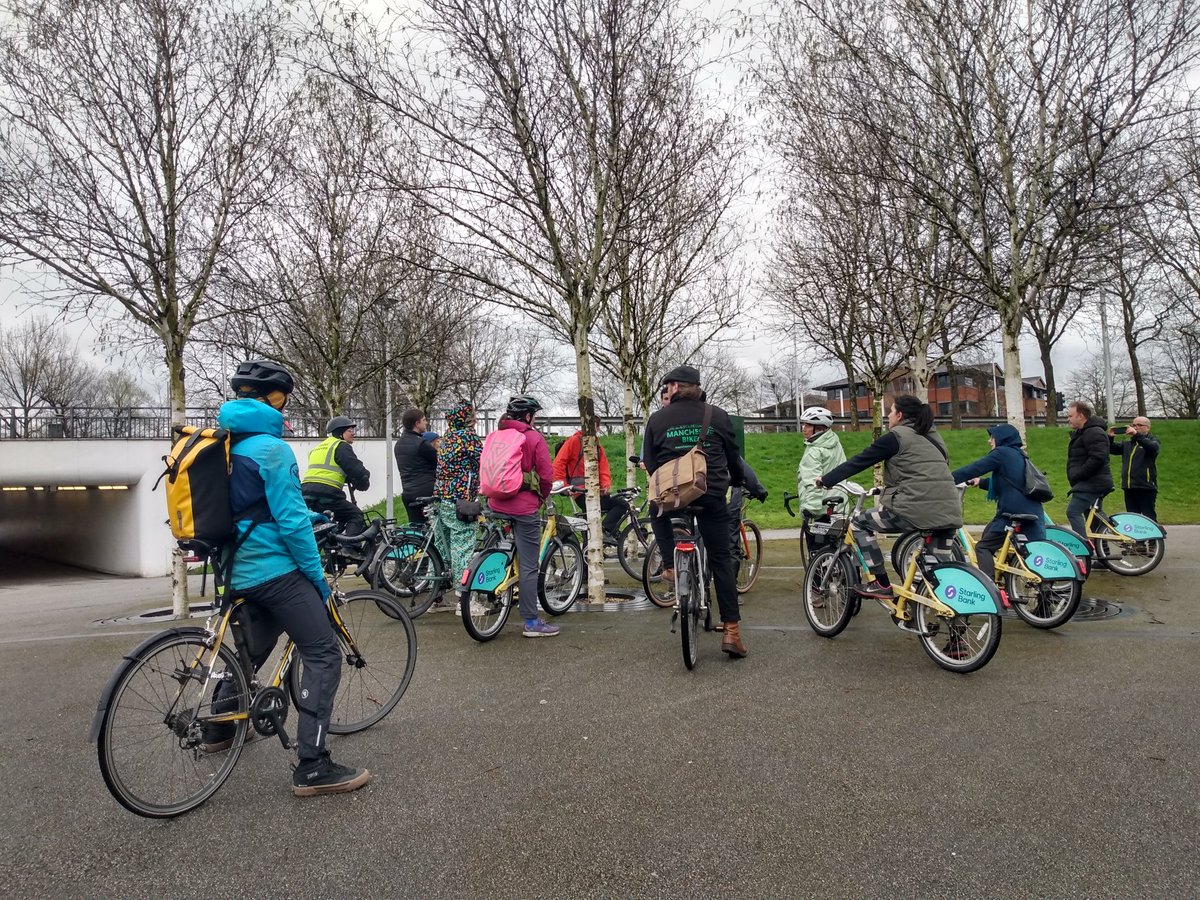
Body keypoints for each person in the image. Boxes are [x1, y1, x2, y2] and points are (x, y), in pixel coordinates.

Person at [212, 360, 370, 797]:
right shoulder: (271, 449)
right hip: (274, 571)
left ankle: (218, 729)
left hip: (234, 571)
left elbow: (252, 508)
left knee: (253, 649)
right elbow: (291, 524)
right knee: (322, 653)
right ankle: (314, 766)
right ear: (275, 400)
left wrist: (308, 513)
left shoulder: (221, 445)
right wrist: (317, 578)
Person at [815, 394, 962, 604]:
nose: (888, 417)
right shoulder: (935, 438)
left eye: (891, 412)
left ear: (900, 415)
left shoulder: (896, 437)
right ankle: (953, 621)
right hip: (949, 512)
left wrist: (826, 480)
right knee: (940, 571)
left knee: (859, 523)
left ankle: (881, 583)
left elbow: (860, 461)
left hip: (914, 510)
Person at [643, 365, 748, 657]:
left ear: (674, 387)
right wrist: (737, 481)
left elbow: (651, 464)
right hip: (710, 493)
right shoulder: (717, 415)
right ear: (697, 387)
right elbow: (733, 457)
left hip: (673, 495)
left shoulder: (657, 419)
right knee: (721, 559)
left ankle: (669, 565)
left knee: (657, 508)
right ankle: (731, 632)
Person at [486, 395, 559, 638]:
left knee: (504, 548)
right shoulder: (533, 437)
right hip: (523, 507)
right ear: (528, 416)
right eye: (534, 415)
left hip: (495, 503)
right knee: (529, 566)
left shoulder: (496, 435)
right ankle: (531, 621)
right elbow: (547, 476)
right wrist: (540, 497)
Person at [951, 424, 1046, 580]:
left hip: (1013, 512)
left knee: (983, 547)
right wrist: (980, 482)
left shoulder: (1001, 453)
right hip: (1030, 509)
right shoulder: (1018, 455)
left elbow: (974, 468)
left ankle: (989, 587)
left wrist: (946, 479)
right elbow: (1007, 484)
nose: (989, 441)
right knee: (989, 531)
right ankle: (1006, 576)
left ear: (1001, 438)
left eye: (992, 437)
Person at [431, 399, 483, 606]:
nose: (476, 421)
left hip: (442, 497)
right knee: (463, 547)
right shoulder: (468, 438)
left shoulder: (448, 437)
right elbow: (484, 460)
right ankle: (465, 599)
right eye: (474, 417)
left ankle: (435, 596)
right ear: (468, 419)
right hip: (461, 500)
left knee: (441, 547)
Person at [552, 427, 628, 543]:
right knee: (622, 504)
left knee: (589, 520)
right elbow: (559, 464)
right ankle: (605, 530)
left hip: (589, 491)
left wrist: (605, 485)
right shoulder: (575, 441)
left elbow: (603, 467)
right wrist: (563, 486)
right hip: (580, 491)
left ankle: (589, 551)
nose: (596, 428)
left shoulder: (595, 444)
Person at [301, 416, 370, 536]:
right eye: (349, 430)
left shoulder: (318, 448)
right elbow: (356, 469)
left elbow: (326, 470)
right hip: (327, 494)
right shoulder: (340, 445)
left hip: (306, 493)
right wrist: (364, 481)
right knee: (355, 515)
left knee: (333, 519)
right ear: (340, 433)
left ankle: (331, 543)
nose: (353, 433)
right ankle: (349, 549)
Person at [794, 406, 847, 553]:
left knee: (818, 554)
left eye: (808, 425)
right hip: (839, 506)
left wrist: (810, 510)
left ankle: (818, 575)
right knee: (838, 550)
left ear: (819, 428)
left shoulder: (814, 451)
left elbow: (812, 483)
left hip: (820, 509)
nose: (803, 428)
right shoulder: (835, 443)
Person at [1065, 400, 1114, 536]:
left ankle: (1084, 549)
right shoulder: (1084, 432)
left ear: (1080, 416)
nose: (1068, 419)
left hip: (1092, 483)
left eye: (1070, 416)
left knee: (1073, 512)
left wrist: (1079, 474)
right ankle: (1102, 552)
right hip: (1090, 482)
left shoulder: (1093, 432)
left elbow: (1098, 458)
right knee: (1094, 519)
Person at [1108, 415, 1160, 519]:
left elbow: (1152, 448)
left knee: (1148, 517)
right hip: (1129, 486)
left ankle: (1154, 535)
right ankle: (1135, 536)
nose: (1135, 427)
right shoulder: (1128, 444)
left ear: (1147, 428)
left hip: (1145, 486)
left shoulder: (1153, 441)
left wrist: (1136, 435)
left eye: (1139, 425)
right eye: (1133, 425)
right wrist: (1110, 437)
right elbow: (1112, 449)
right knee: (1132, 517)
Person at [394, 408, 438, 526]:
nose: (426, 422)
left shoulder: (398, 444)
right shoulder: (421, 443)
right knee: (435, 528)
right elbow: (439, 463)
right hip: (426, 492)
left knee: (415, 529)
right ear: (417, 423)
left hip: (408, 493)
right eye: (424, 420)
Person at [728, 459, 768, 558]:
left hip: (690, 495)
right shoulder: (722, 445)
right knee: (731, 543)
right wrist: (760, 491)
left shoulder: (685, 445)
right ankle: (731, 572)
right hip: (725, 499)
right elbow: (744, 470)